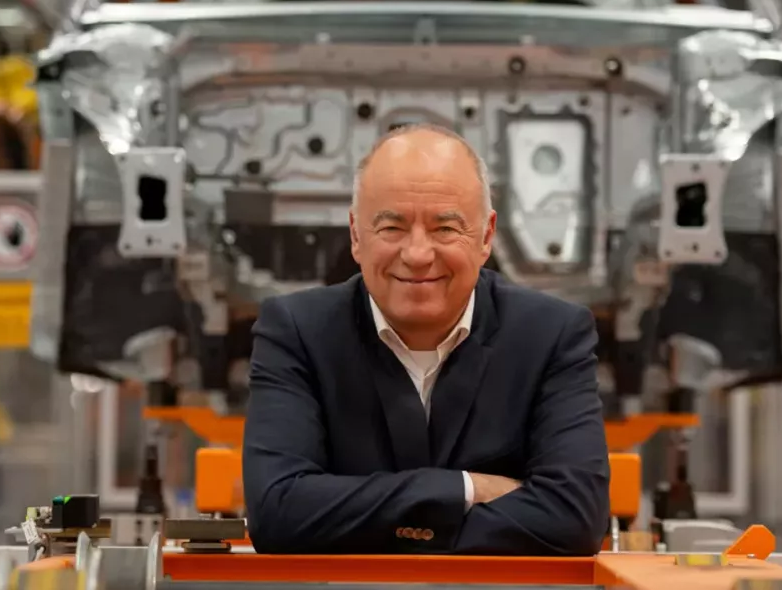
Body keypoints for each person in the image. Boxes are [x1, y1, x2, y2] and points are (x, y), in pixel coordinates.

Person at [242, 124, 609, 555]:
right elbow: (277, 513)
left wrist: (356, 517)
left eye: (445, 229)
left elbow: (576, 518)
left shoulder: (552, 335)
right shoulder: (296, 331)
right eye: (392, 228)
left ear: (487, 236)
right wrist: (465, 490)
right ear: (356, 235)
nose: (417, 254)